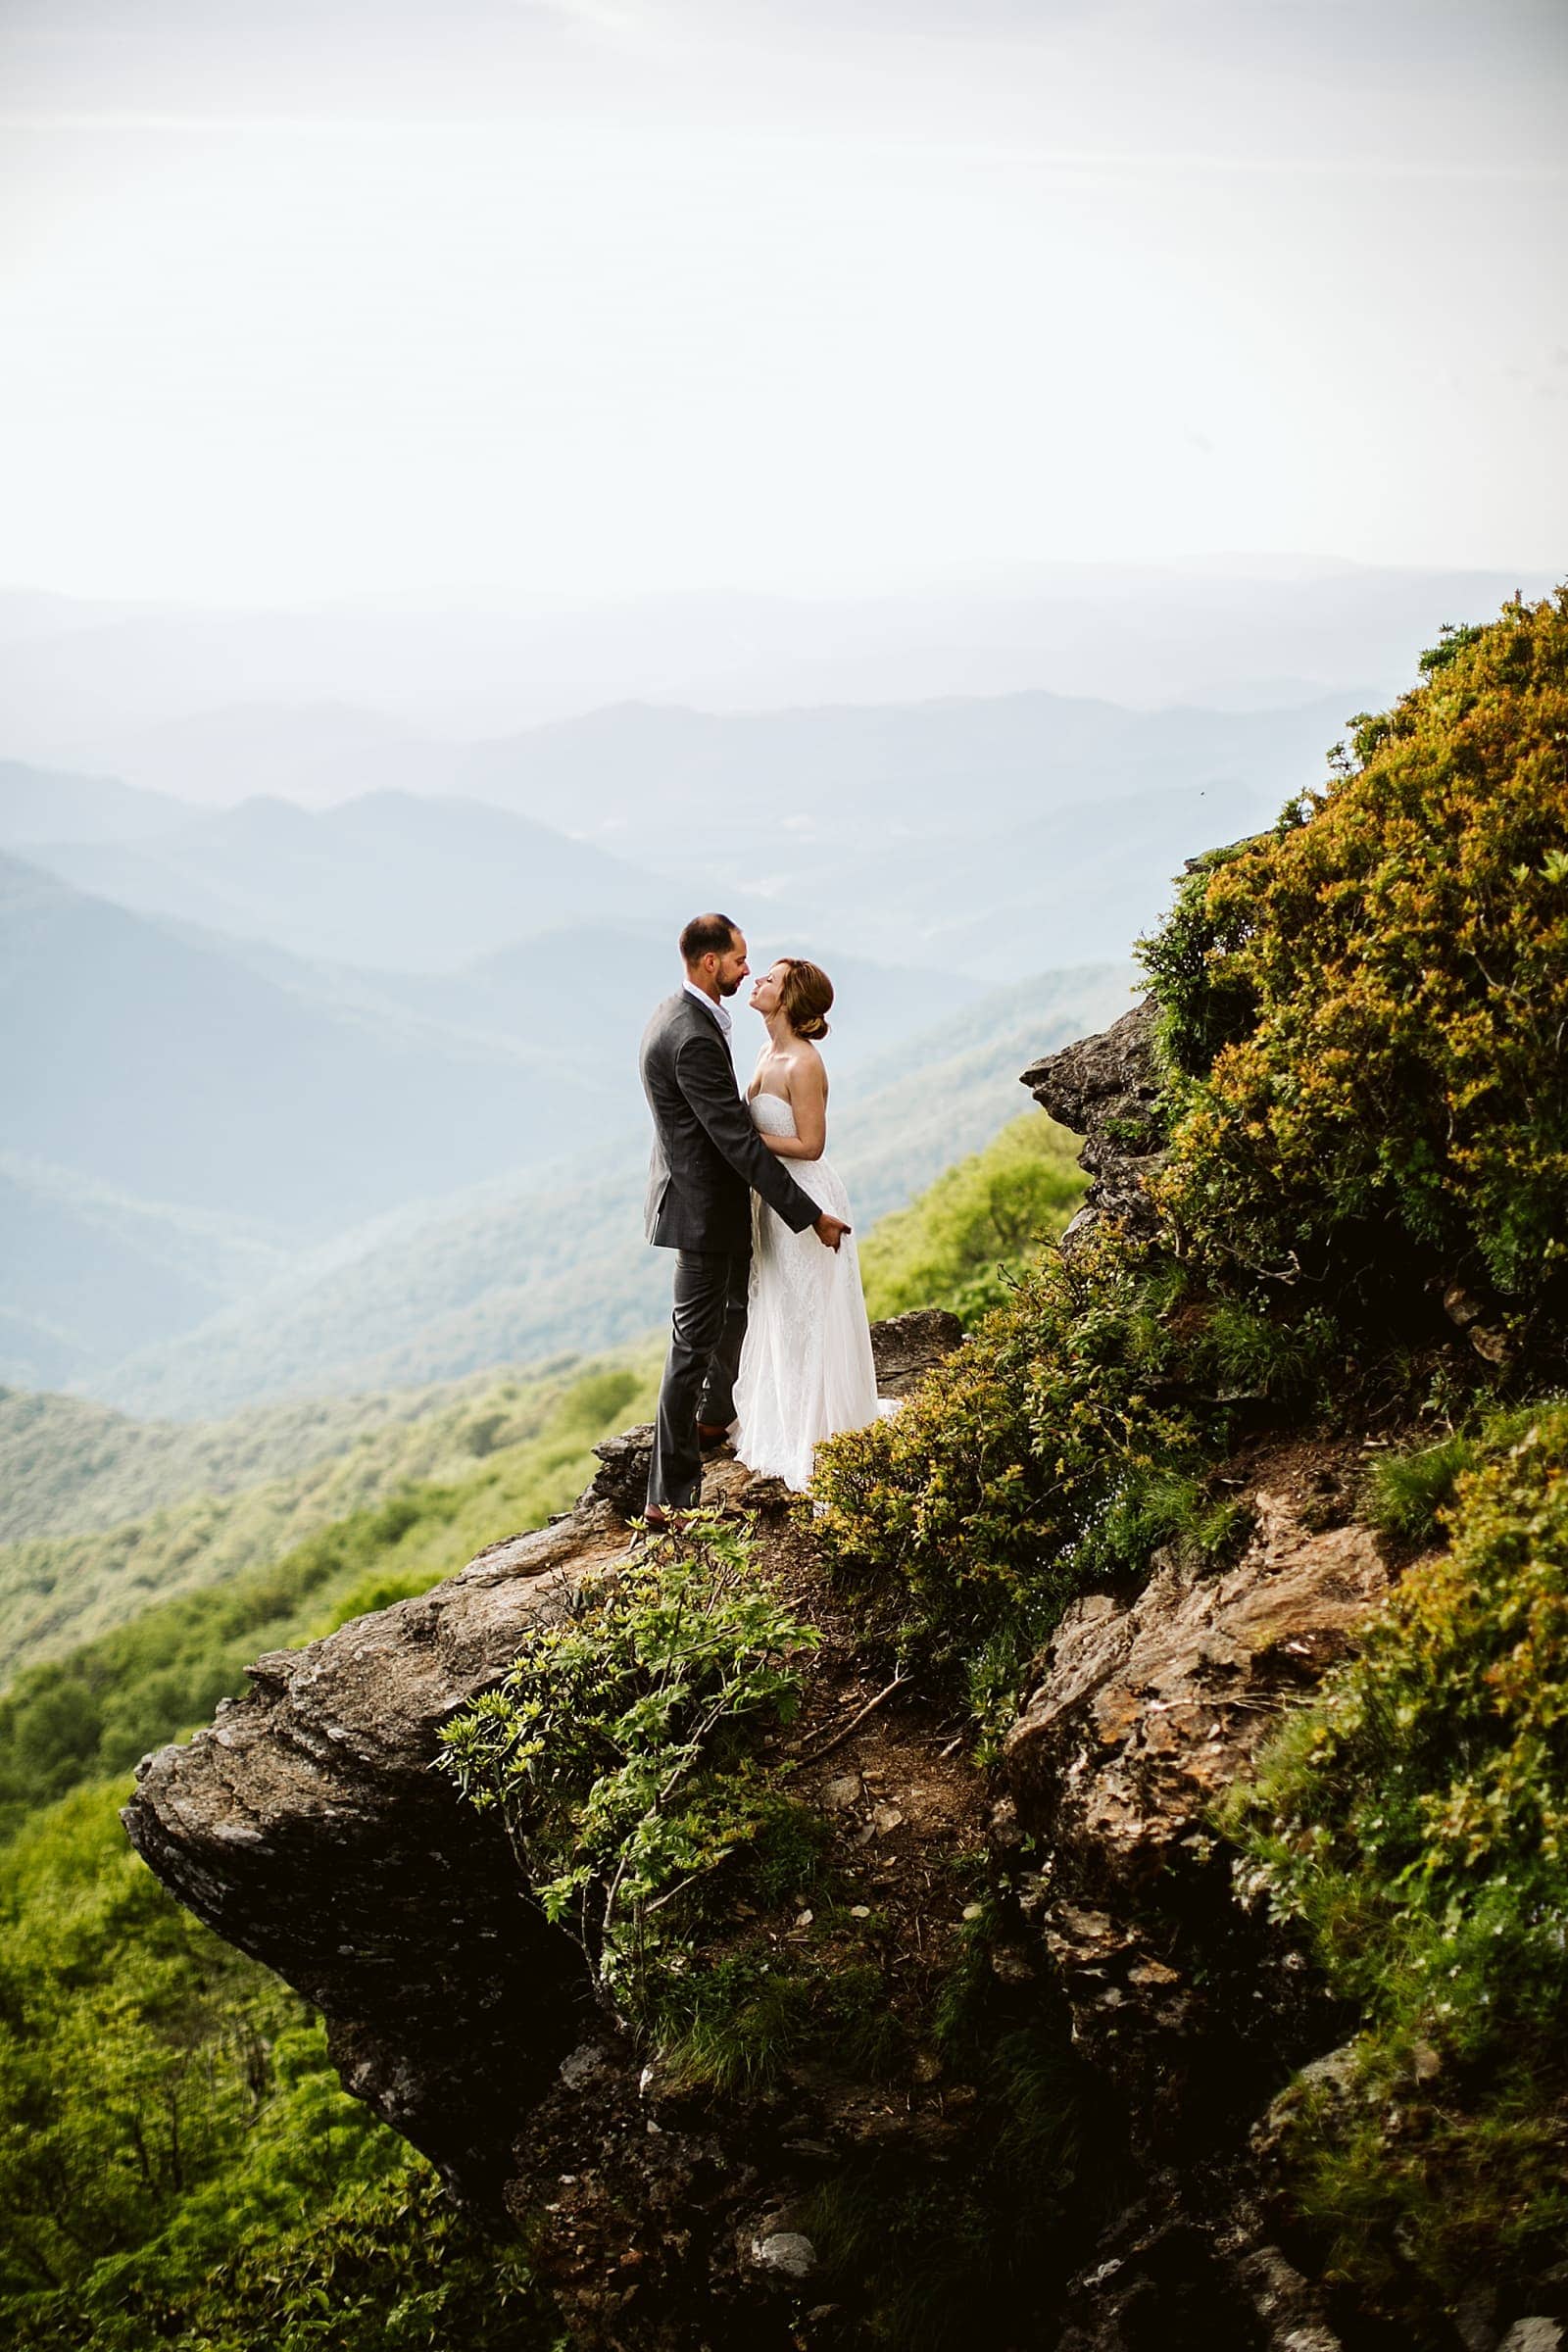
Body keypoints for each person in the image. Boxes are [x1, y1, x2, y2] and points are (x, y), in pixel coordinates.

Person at [640, 914, 851, 1526]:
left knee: (736, 1312)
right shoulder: (696, 1034)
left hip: (713, 1203)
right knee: (691, 1347)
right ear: (711, 963)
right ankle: (667, 1496)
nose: (745, 970)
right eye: (738, 959)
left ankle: (713, 1415)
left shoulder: (680, 1016)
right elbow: (734, 1136)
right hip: (704, 1212)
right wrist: (809, 1216)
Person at [728, 956, 882, 1492]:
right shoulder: (764, 1052)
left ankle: (821, 1433)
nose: (757, 980)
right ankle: (791, 1418)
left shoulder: (803, 1064)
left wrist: (743, 1142)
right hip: (772, 1203)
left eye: (769, 978)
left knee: (809, 1310)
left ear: (789, 998)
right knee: (780, 1308)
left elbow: (811, 1146)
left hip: (806, 1196)